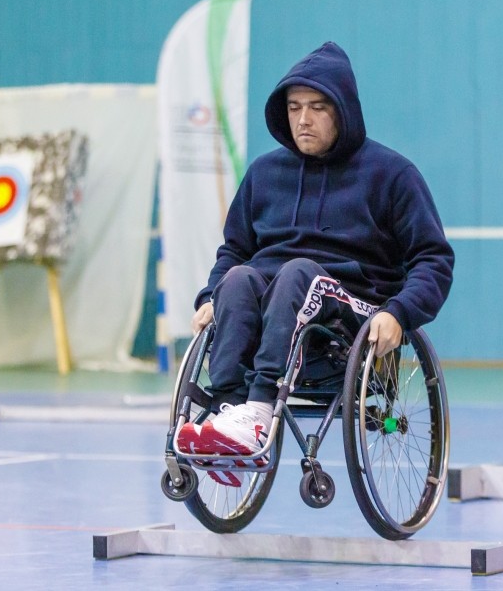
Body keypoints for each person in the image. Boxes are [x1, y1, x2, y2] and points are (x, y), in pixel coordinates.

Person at [176, 42, 454, 484]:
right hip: (277, 310)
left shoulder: (393, 175)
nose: (303, 119)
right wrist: (211, 296)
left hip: (350, 316)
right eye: (294, 108)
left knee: (298, 273)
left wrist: (399, 314)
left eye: (318, 107)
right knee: (239, 278)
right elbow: (234, 250)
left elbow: (433, 259)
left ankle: (258, 410)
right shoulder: (264, 175)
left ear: (343, 111)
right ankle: (228, 409)